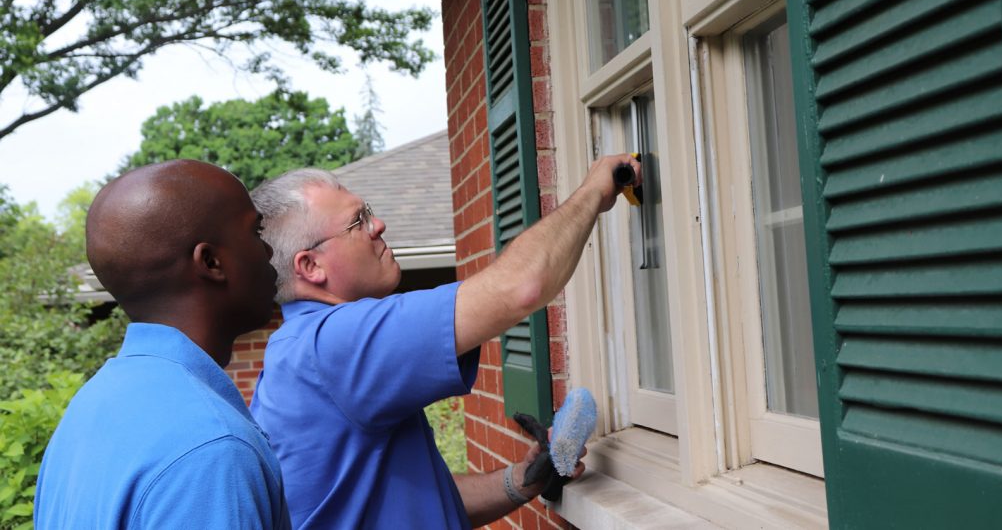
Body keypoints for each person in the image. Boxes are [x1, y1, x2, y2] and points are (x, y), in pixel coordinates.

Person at [250, 153, 640, 529]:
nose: (379, 224)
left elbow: (420, 499)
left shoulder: (302, 351)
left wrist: (522, 479)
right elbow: (520, 288)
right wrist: (594, 189)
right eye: (359, 221)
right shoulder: (332, 344)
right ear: (311, 266)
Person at [35, 160, 290, 529]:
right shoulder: (212, 448)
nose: (268, 251)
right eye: (256, 231)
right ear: (211, 262)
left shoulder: (89, 409)